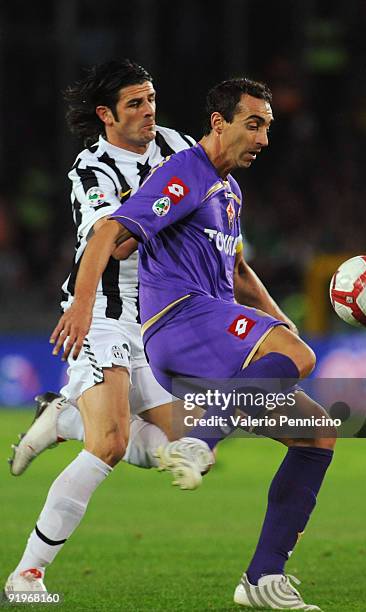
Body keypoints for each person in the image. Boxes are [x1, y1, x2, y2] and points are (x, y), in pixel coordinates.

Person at [49, 78, 335, 610]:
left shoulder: (228, 189)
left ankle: (261, 580)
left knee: (316, 433)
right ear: (219, 122)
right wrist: (83, 305)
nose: (264, 138)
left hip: (209, 326)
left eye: (268, 126)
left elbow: (238, 268)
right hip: (179, 321)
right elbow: (110, 232)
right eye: (254, 124)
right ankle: (201, 439)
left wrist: (278, 319)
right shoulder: (186, 172)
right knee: (299, 359)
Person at [5, 58, 201, 595]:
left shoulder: (177, 146)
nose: (148, 112)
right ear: (106, 115)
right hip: (105, 314)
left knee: (192, 444)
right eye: (135, 104)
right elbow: (111, 241)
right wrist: (170, 209)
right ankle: (27, 573)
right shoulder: (91, 170)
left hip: (162, 318)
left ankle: (63, 418)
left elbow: (208, 202)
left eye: (151, 99)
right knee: (110, 443)